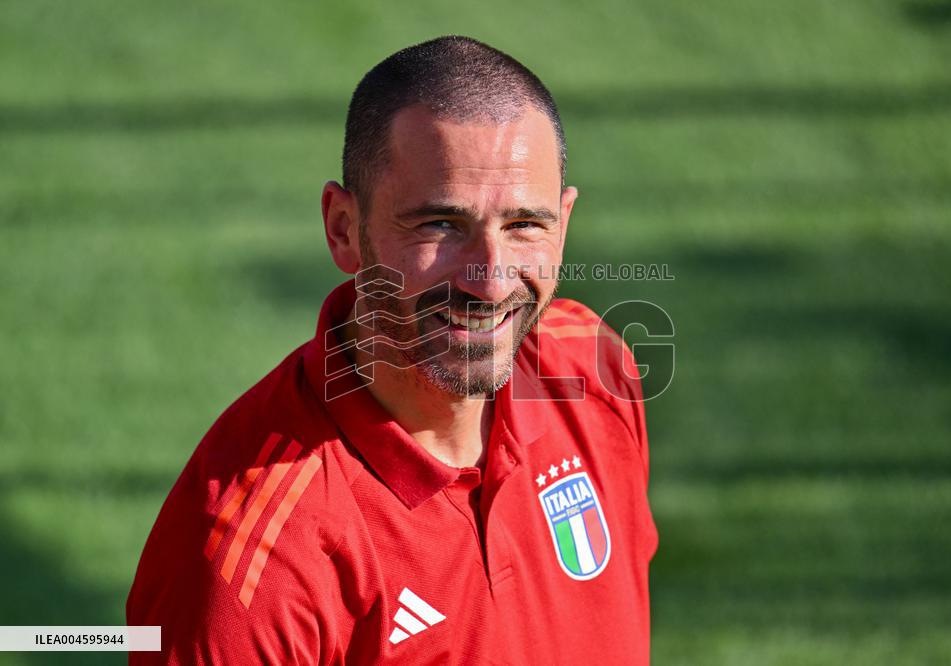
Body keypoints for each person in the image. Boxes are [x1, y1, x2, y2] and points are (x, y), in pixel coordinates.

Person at [127, 35, 658, 664]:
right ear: (344, 230)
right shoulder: (251, 565)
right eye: (440, 225)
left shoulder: (593, 368)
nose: (489, 279)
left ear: (564, 227)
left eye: (524, 226)